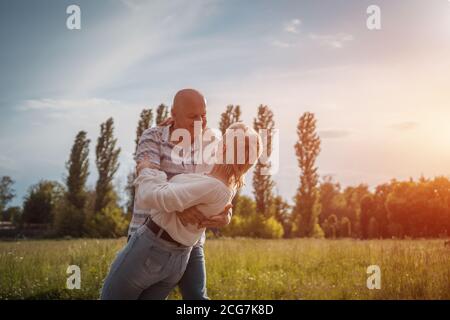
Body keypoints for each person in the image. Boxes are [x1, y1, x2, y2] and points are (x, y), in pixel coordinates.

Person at [100, 122, 262, 299]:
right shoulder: (223, 185)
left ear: (223, 147)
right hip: (178, 259)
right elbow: (199, 198)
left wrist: (146, 170)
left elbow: (151, 196)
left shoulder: (212, 185)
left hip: (152, 247)